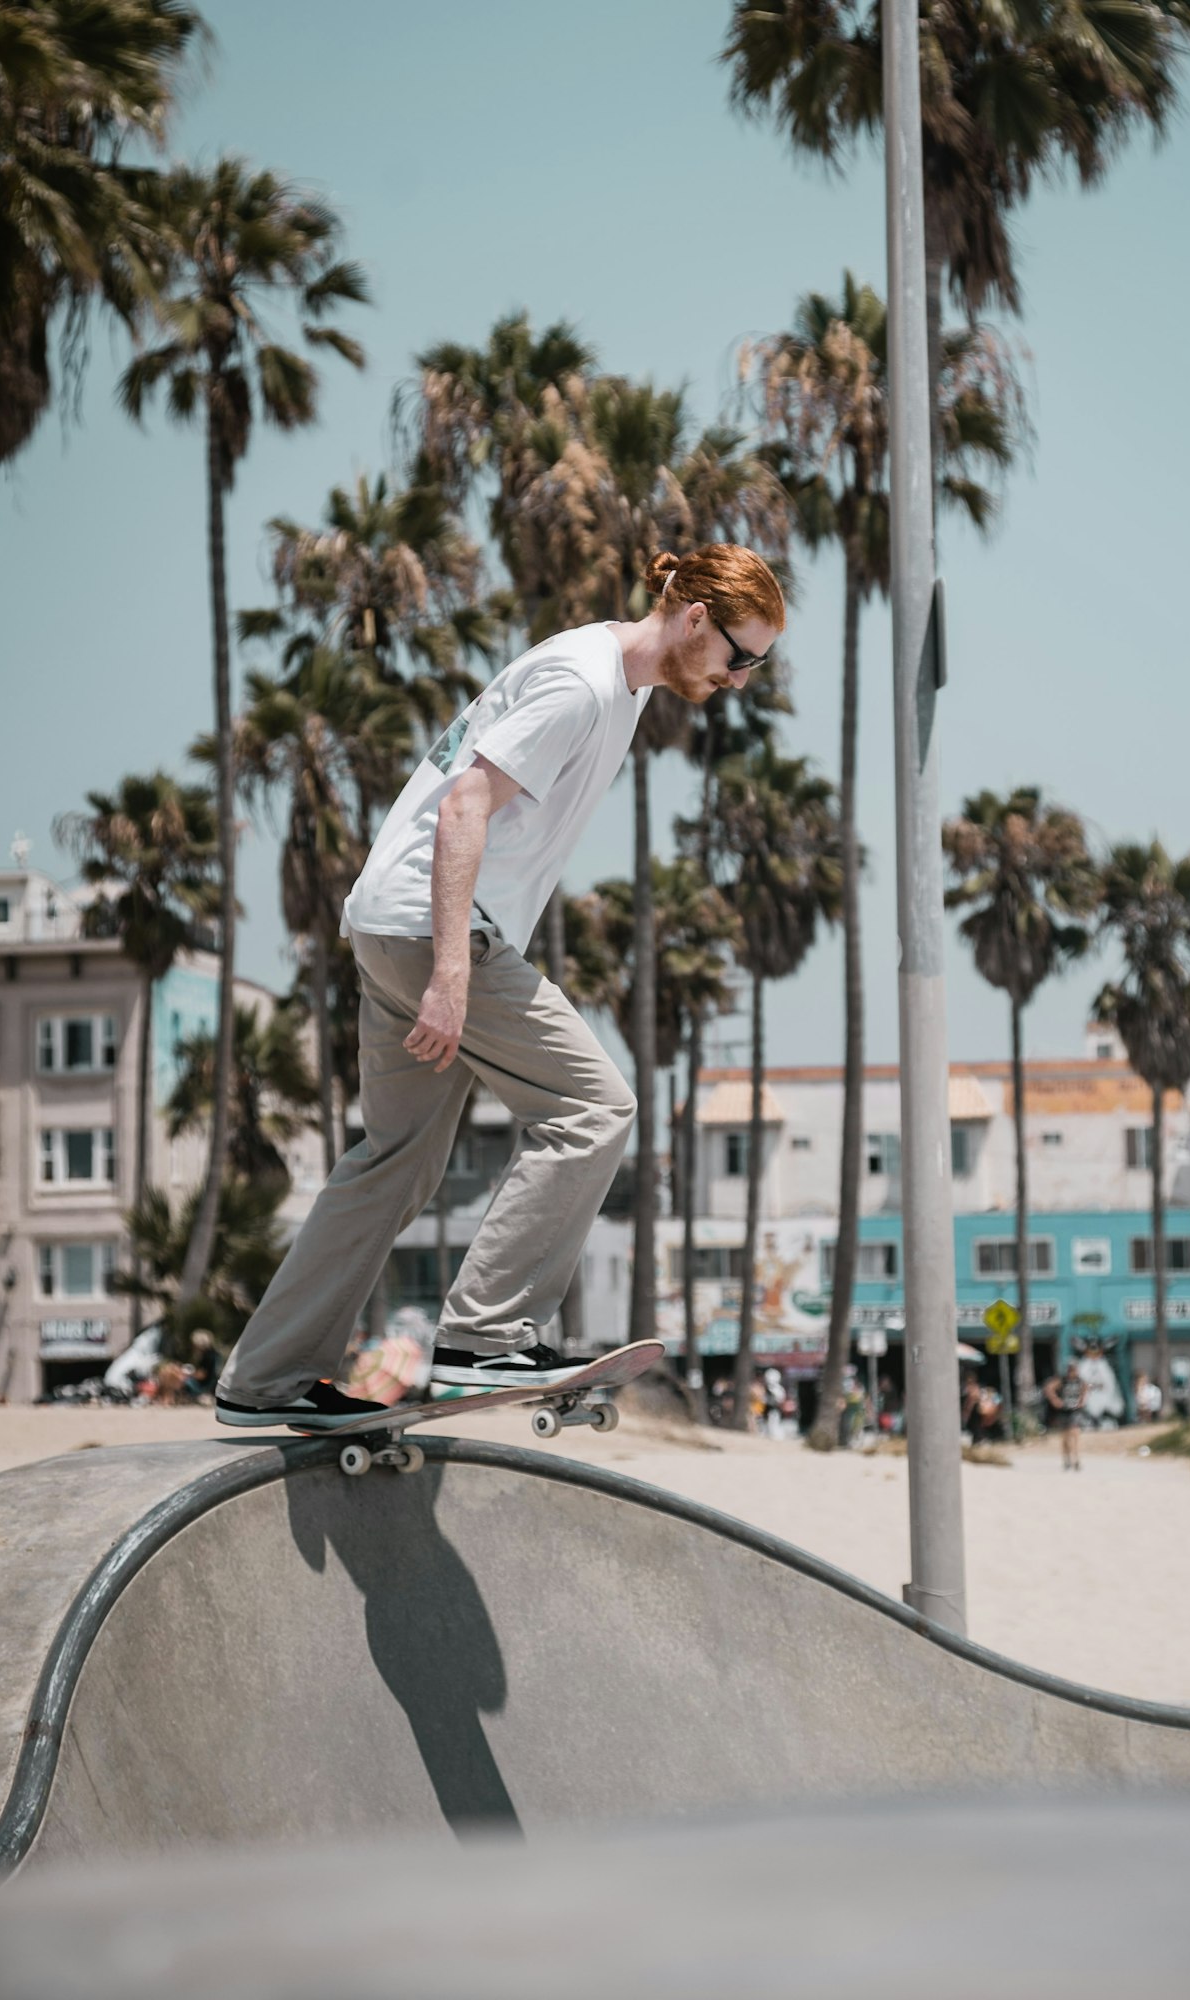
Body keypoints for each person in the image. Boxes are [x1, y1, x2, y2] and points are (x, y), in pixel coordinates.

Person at [216, 545, 784, 1430]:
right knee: (594, 1109)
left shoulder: (618, 689)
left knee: (395, 1161)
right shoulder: (584, 683)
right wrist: (450, 971)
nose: (741, 679)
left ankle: (265, 1379)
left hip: (391, 922)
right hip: (434, 931)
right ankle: (485, 1337)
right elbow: (464, 807)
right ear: (695, 617)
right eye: (739, 656)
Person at [1043, 1362, 1085, 1471]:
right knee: (1065, 1437)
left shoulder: (1080, 1381)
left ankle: (1076, 1459)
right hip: (1063, 1411)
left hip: (1074, 1410)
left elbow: (1086, 1389)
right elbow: (1049, 1388)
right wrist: (1055, 1400)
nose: (1073, 1372)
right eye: (1071, 1370)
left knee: (1075, 1434)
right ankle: (1066, 1459)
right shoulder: (1062, 1381)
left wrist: (1082, 1401)